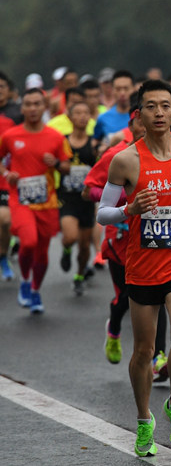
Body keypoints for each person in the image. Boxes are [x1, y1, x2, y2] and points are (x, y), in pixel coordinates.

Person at [96, 79, 171, 456]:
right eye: (151, 107)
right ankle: (144, 419)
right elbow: (102, 214)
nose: (159, 113)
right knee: (143, 351)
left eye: (165, 106)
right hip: (143, 266)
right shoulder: (125, 160)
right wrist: (129, 209)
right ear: (139, 115)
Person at [82, 97, 170, 370]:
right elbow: (88, 191)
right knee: (127, 297)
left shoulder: (167, 153)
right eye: (140, 123)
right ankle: (114, 325)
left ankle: (159, 356)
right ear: (132, 125)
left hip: (155, 237)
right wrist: (123, 196)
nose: (146, 128)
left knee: (161, 295)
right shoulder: (116, 156)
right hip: (121, 239)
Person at [0, 88, 72, 313]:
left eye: (37, 104)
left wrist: (56, 165)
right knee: (28, 241)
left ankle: (35, 289)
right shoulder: (11, 136)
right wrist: (6, 174)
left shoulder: (56, 137)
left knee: (41, 252)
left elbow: (68, 167)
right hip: (19, 199)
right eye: (28, 104)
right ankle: (25, 280)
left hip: (47, 202)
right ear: (22, 108)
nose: (32, 108)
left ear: (44, 107)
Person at [58, 99, 98, 294]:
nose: (82, 116)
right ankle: (66, 250)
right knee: (70, 236)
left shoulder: (94, 143)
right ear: (70, 117)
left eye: (85, 113)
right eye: (78, 113)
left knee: (84, 247)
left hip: (86, 199)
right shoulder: (62, 141)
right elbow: (55, 162)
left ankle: (80, 275)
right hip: (67, 197)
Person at [0, 71, 23, 281]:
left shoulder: (16, 114)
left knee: (5, 221)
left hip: (7, 177)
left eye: (1, 87)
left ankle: (2, 256)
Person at [93, 70, 134, 143]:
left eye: (126, 88)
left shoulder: (141, 117)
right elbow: (95, 141)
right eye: (118, 89)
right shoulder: (103, 118)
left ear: (133, 89)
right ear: (112, 90)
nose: (122, 93)